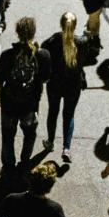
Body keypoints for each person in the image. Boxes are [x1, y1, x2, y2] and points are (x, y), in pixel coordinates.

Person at [0, 18, 51, 177]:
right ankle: (25, 161)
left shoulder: (7, 55)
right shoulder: (43, 55)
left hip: (9, 103)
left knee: (8, 136)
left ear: (17, 33)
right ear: (34, 33)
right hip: (30, 105)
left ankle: (8, 166)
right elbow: (45, 79)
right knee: (30, 134)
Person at [40, 12, 88, 163]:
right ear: (75, 26)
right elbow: (81, 64)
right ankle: (66, 148)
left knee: (53, 112)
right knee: (69, 115)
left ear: (61, 24)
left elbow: (43, 57)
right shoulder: (82, 42)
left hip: (54, 84)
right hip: (73, 85)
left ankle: (50, 142)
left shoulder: (51, 42)